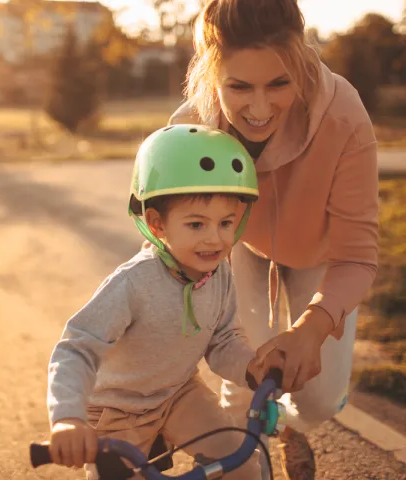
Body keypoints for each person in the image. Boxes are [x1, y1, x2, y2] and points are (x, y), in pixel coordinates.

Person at [169, 1, 379, 479]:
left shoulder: (343, 115)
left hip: (319, 253)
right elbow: (166, 244)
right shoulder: (189, 128)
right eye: (239, 87)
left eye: (279, 84)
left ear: (301, 65)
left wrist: (311, 329)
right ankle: (250, 456)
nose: (259, 109)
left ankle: (287, 424)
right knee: (243, 381)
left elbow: (358, 254)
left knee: (320, 398)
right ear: (211, 75)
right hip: (235, 246)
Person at [46, 124, 284, 480]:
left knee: (242, 467)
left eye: (226, 222)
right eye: (195, 224)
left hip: (177, 395)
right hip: (116, 412)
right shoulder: (133, 284)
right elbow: (75, 348)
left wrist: (252, 368)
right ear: (157, 224)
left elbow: (223, 341)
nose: (214, 239)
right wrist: (66, 417)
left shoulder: (219, 274)